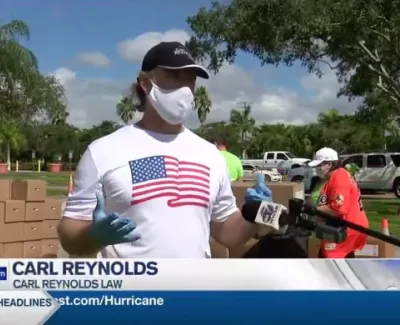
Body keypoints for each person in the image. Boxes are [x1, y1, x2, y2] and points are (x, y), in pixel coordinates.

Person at [57, 41, 273, 258]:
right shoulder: (103, 151)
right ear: (145, 81)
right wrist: (93, 236)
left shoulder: (210, 155)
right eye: (172, 76)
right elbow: (69, 235)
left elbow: (226, 231)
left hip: (195, 289)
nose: (184, 88)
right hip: (132, 291)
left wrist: (256, 214)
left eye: (189, 79)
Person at [308, 147, 369, 258]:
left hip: (345, 228)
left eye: (319, 165)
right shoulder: (336, 177)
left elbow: (338, 209)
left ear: (329, 164)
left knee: (331, 265)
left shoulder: (339, 177)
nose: (317, 169)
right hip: (346, 226)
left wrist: (313, 209)